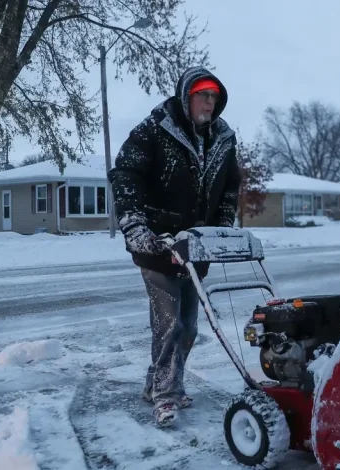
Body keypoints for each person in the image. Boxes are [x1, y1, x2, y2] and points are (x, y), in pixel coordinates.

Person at [108, 66, 240, 427]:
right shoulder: (155, 129)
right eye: (203, 95)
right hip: (157, 244)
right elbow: (124, 172)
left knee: (190, 327)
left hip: (195, 247)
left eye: (214, 96)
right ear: (186, 96)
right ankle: (167, 396)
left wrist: (222, 228)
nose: (210, 103)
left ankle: (157, 383)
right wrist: (134, 222)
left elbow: (231, 186)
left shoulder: (223, 138)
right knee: (169, 326)